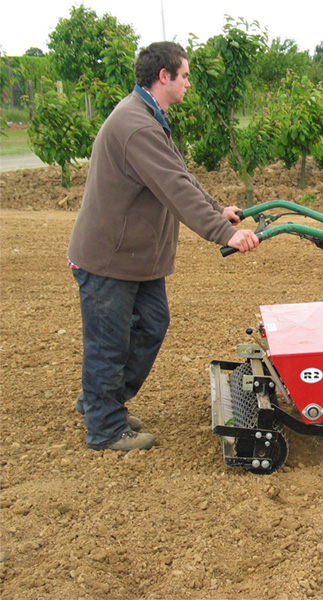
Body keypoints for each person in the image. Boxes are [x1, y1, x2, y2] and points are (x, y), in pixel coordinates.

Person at [67, 41, 259, 452]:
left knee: (152, 325)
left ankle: (103, 401)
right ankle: (104, 427)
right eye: (185, 76)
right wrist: (224, 234)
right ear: (164, 77)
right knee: (109, 342)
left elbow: (179, 176)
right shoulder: (135, 125)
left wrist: (216, 209)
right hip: (109, 259)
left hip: (135, 259)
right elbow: (173, 188)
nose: (189, 83)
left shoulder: (150, 117)